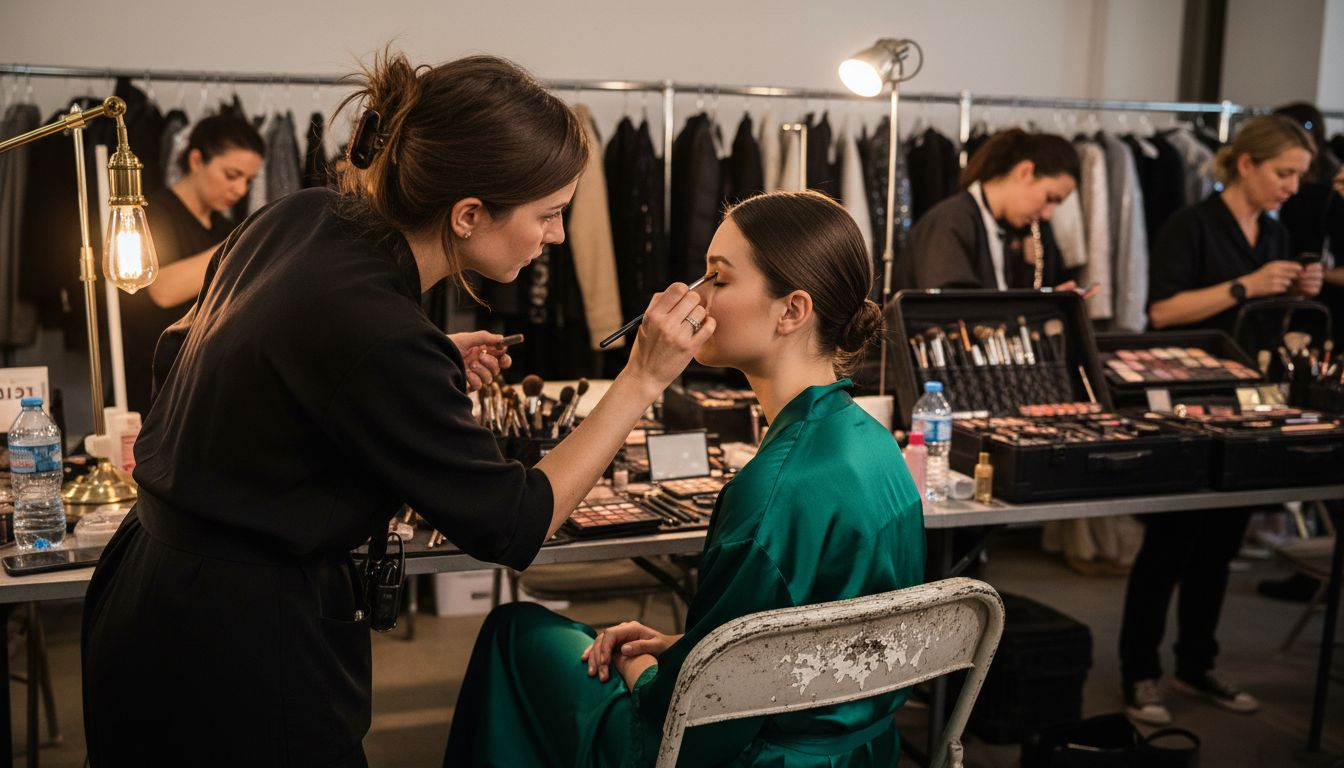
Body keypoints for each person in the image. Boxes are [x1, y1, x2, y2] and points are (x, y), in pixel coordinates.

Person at [81, 52, 712, 767]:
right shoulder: (382, 334)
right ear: (468, 215)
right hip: (235, 641)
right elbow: (513, 522)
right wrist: (640, 379)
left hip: (143, 588)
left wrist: (406, 370)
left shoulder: (300, 213)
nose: (558, 236)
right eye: (548, 214)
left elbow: (186, 353)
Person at [445, 190, 926, 767]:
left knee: (514, 631)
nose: (694, 296)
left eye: (717, 278)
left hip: (733, 753)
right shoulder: (878, 445)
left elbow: (691, 719)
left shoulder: (770, 492)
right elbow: (810, 638)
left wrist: (642, 667)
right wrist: (685, 646)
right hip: (859, 746)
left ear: (792, 311)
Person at [1120, 115, 1319, 727]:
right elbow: (1162, 311)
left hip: (1249, 401)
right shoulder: (1191, 224)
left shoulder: (1275, 232)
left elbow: (1268, 322)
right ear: (1246, 164)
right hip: (1185, 401)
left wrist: (1295, 297)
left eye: (1299, 176)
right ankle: (1139, 670)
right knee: (1170, 543)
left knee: (1221, 544)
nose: (1292, 186)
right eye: (1284, 173)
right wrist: (1246, 285)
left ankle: (1197, 661)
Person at [120, 114, 264, 415]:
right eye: (232, 175)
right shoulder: (153, 214)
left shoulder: (224, 228)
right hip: (151, 384)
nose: (241, 190)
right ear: (197, 160)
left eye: (248, 181)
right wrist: (242, 242)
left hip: (200, 381)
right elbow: (163, 290)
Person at [894, 128, 1082, 293]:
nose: (1047, 214)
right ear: (1025, 171)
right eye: (1050, 198)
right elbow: (952, 310)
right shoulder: (951, 222)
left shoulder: (996, 227)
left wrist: (1048, 305)